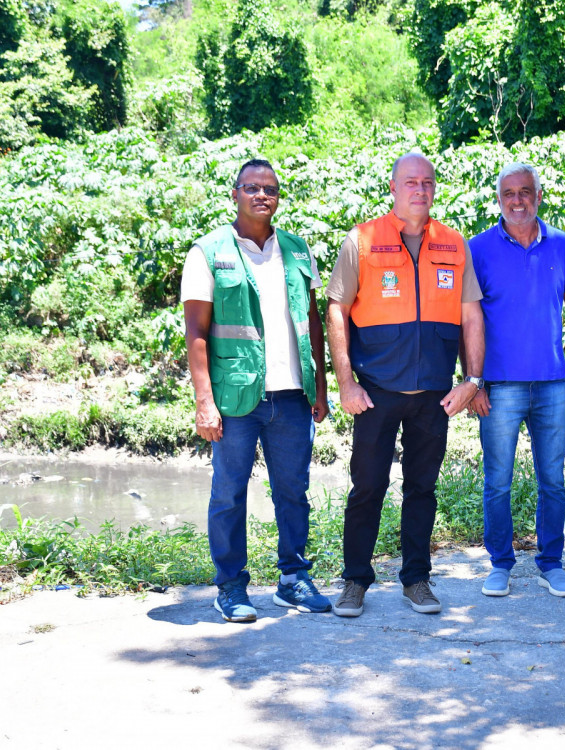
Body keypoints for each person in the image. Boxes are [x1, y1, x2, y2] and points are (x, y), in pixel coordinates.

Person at [326, 152, 485, 618]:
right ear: (393, 188)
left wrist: (472, 380)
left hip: (435, 396)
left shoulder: (454, 245)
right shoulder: (362, 240)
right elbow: (336, 309)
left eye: (428, 183)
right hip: (376, 392)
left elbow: (470, 313)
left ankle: (416, 579)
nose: (420, 189)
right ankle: (355, 580)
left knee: (422, 488)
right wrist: (346, 383)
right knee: (368, 486)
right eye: (411, 182)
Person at [182, 158, 331, 623]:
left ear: (278, 196)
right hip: (236, 399)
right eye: (252, 187)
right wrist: (204, 401)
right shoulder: (207, 252)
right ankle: (230, 587)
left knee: (294, 491)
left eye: (269, 188)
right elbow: (196, 332)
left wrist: (320, 383)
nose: (261, 195)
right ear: (235, 194)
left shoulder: (297, 249)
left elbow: (312, 321)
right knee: (228, 493)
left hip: (291, 396)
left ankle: (293, 580)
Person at [468, 162, 565, 599]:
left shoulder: (561, 245)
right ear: (499, 199)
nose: (517, 200)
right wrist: (473, 381)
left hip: (552, 384)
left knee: (552, 479)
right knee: (498, 480)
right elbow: (468, 320)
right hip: (498, 387)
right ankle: (500, 565)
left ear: (539, 195)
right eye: (509, 193)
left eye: (526, 192)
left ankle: (551, 563)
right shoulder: (477, 248)